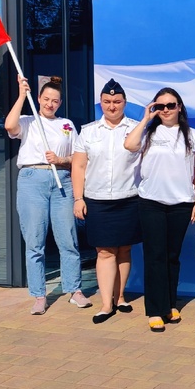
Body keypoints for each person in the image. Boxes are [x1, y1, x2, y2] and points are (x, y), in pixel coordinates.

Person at [5, 75, 91, 315]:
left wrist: (61, 159)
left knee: (68, 239)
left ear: (60, 103)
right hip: (32, 180)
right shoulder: (28, 120)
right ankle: (39, 295)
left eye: (55, 100)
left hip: (61, 180)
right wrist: (21, 96)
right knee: (35, 241)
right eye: (46, 99)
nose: (50, 104)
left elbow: (78, 157)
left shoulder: (67, 125)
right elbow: (9, 127)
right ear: (39, 99)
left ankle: (74, 290)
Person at [124, 87, 195, 332]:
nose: (166, 110)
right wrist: (146, 119)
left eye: (171, 105)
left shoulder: (192, 135)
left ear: (179, 107)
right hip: (151, 202)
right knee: (155, 256)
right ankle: (155, 310)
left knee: (172, 257)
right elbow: (129, 145)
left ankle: (169, 304)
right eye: (160, 106)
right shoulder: (148, 133)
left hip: (182, 203)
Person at [71, 79, 142, 324]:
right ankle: (106, 304)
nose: (112, 106)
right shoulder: (88, 131)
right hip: (98, 200)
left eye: (117, 101)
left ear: (124, 103)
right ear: (100, 103)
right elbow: (79, 166)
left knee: (124, 249)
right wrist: (78, 198)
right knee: (104, 252)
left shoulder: (135, 129)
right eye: (107, 101)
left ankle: (120, 297)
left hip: (128, 198)